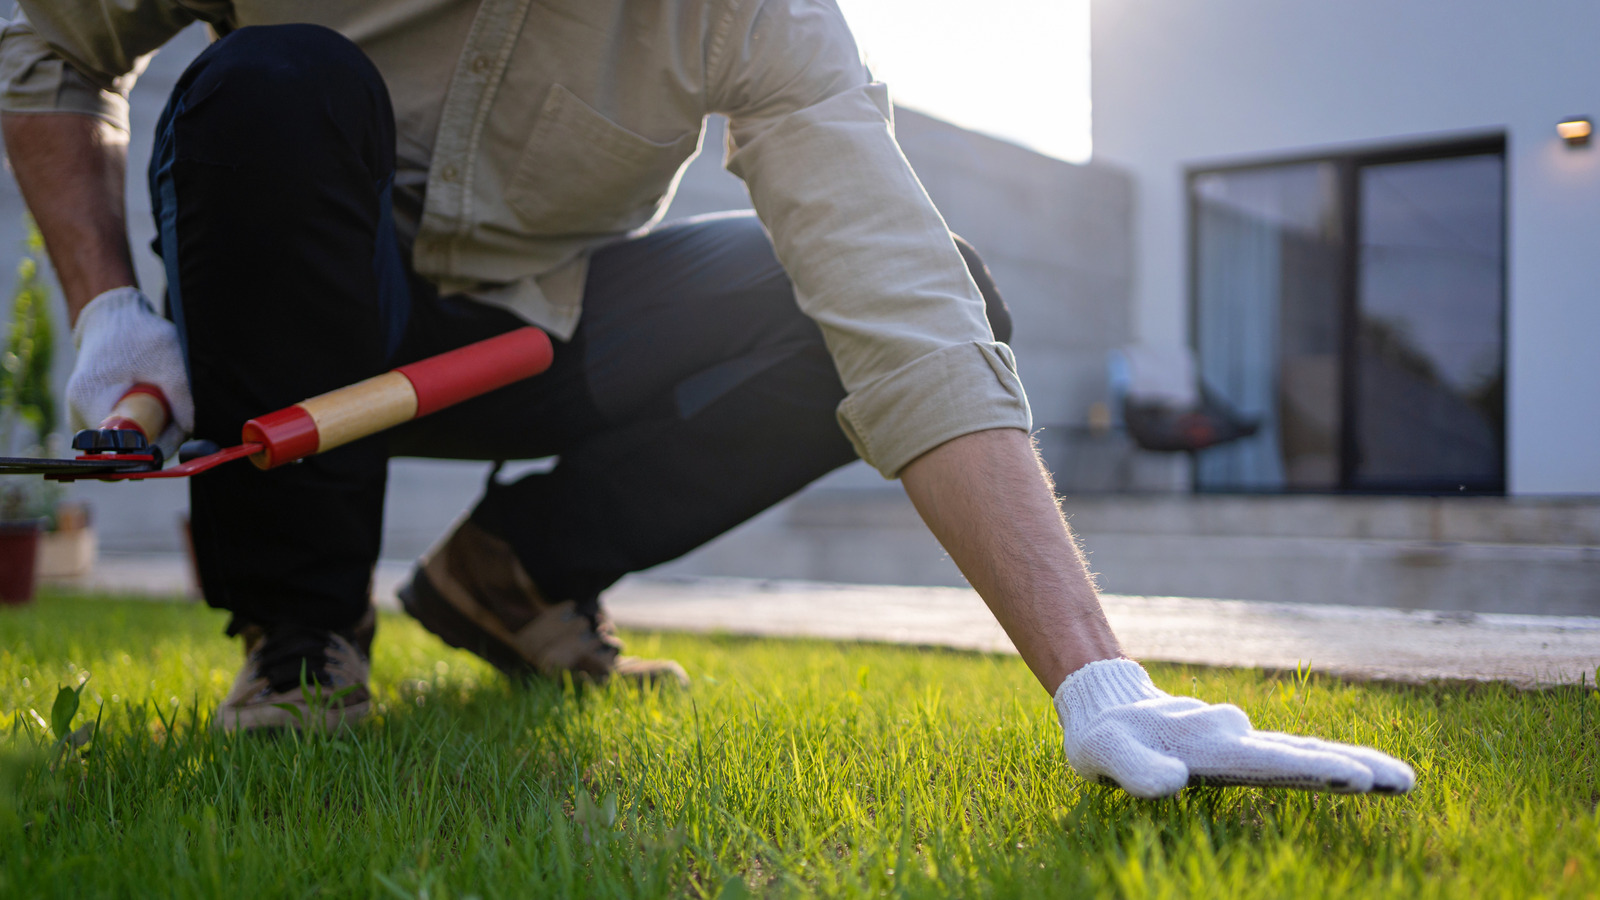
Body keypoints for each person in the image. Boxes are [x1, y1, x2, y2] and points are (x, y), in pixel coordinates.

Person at [0, 1, 1413, 799]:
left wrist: (1100, 678)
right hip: (296, 321)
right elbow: (42, 35)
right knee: (271, 82)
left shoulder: (760, 14)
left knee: (944, 281)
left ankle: (514, 575)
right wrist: (110, 302)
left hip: (532, 331)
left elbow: (901, 308)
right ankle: (303, 636)